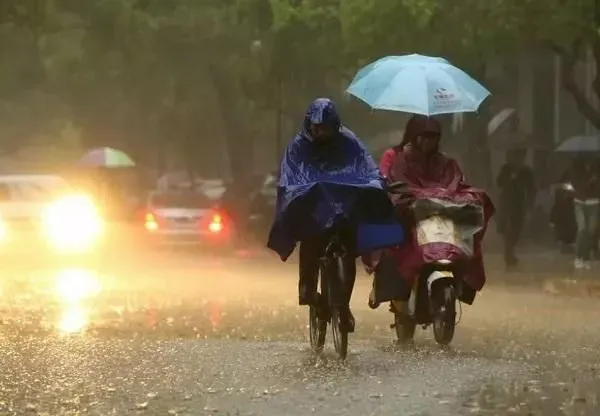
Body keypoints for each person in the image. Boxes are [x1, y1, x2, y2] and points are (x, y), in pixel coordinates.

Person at [267, 98, 402, 332]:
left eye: (325, 127)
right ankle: (311, 296)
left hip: (343, 211)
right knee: (310, 248)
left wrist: (375, 182)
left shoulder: (349, 142)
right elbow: (290, 176)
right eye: (317, 127)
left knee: (348, 253)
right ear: (310, 125)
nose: (321, 132)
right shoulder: (299, 145)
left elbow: (367, 166)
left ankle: (343, 306)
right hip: (314, 213)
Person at [368, 115, 494, 317]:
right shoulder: (398, 159)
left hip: (440, 217)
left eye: (433, 137)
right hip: (411, 218)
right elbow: (391, 182)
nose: (429, 141)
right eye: (424, 136)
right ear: (414, 136)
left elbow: (457, 183)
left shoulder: (446, 162)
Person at [496, 147, 535, 268]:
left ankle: (510, 252)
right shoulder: (506, 169)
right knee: (506, 230)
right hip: (506, 204)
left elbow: (531, 189)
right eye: (517, 156)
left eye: (521, 157)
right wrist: (509, 178)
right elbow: (499, 183)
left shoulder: (526, 172)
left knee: (516, 231)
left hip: (519, 205)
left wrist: (529, 205)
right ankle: (509, 255)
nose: (519, 159)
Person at [562, 155, 600, 269]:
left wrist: (596, 181)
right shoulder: (576, 170)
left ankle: (586, 257)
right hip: (580, 202)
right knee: (582, 229)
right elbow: (576, 187)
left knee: (590, 231)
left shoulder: (597, 168)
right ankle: (578, 257)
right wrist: (589, 181)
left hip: (594, 202)